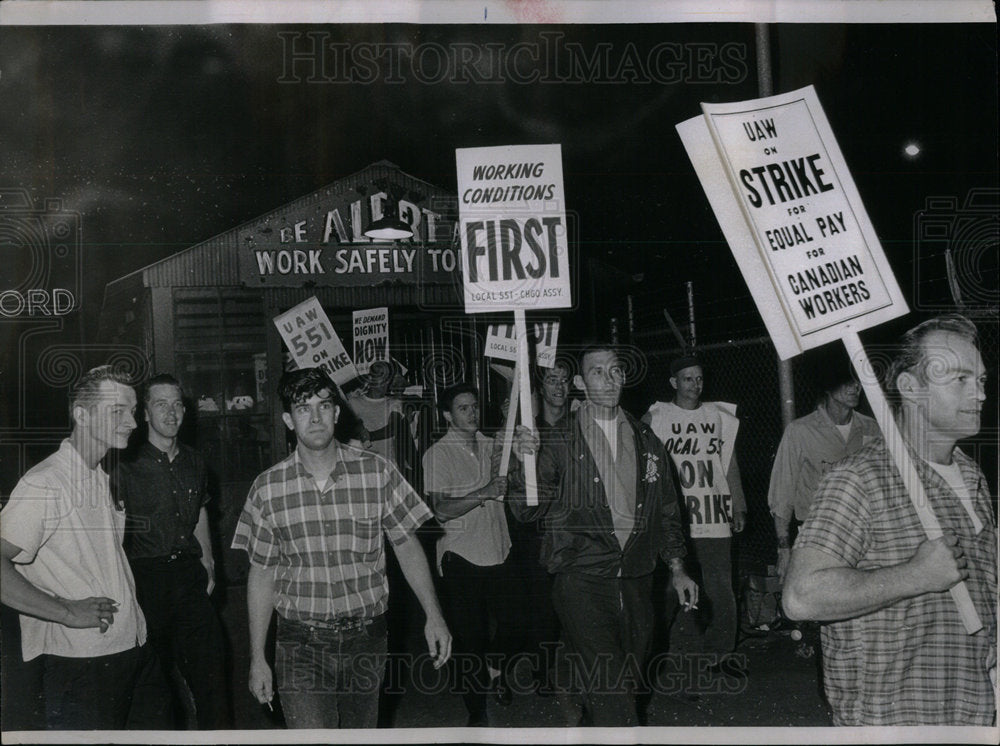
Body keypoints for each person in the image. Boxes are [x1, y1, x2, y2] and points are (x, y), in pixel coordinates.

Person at [783, 314, 996, 726]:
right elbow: (800, 597)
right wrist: (913, 575)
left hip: (972, 711)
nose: (981, 394)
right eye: (961, 380)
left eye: (982, 380)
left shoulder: (973, 477)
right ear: (911, 388)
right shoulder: (858, 480)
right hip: (897, 719)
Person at [232, 367, 451, 729]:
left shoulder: (377, 472)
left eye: (323, 405)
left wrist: (434, 614)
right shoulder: (267, 488)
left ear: (337, 413)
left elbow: (407, 546)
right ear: (289, 419)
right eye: (303, 408)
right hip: (300, 642)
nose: (315, 417)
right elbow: (262, 572)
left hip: (367, 640)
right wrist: (258, 655)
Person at [509, 342, 698, 726]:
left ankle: (583, 705)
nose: (609, 379)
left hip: (637, 574)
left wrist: (677, 567)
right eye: (598, 372)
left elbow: (666, 509)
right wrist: (522, 462)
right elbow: (526, 508)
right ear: (580, 381)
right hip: (581, 574)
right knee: (611, 684)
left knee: (628, 675)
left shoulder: (648, 442)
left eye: (616, 371)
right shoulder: (558, 440)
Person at [0, 365, 169, 730]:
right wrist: (65, 612)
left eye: (133, 410)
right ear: (81, 414)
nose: (133, 423)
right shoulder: (45, 483)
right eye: (116, 411)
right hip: (82, 662)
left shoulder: (97, 475)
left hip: (132, 648)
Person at [112, 373, 230, 728]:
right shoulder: (124, 465)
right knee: (155, 689)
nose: (171, 412)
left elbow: (200, 512)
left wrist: (208, 562)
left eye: (177, 404)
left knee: (213, 682)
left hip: (189, 578)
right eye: (161, 404)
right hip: (146, 580)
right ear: (145, 413)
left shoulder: (195, 461)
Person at [422, 382, 519, 726]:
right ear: (448, 415)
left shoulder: (495, 446)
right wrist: (485, 492)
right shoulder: (437, 454)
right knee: (469, 638)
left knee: (514, 623)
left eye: (475, 406)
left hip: (499, 548)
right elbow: (441, 510)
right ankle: (476, 711)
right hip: (460, 555)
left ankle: (495, 668)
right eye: (463, 408)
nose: (472, 413)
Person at [643, 355, 747, 676]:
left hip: (711, 512)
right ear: (674, 382)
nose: (695, 385)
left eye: (699, 379)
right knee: (667, 591)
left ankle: (720, 653)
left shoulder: (717, 415)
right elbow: (642, 464)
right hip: (673, 518)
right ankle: (651, 652)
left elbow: (727, 461)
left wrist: (738, 502)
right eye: (688, 379)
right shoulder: (656, 416)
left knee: (720, 587)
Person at [768, 356, 879, 583]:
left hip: (866, 537)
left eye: (857, 380)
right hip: (817, 537)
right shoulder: (800, 431)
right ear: (828, 386)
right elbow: (782, 494)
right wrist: (783, 548)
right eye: (846, 380)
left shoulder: (872, 428)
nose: (855, 386)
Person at [347, 360, 413, 477]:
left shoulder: (394, 403)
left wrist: (370, 436)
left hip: (388, 469)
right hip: (361, 469)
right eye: (381, 376)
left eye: (388, 377)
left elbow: (394, 427)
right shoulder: (353, 402)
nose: (385, 381)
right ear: (371, 378)